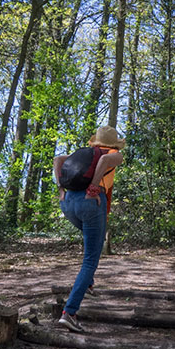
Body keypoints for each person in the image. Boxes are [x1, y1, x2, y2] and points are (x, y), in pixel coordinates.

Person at [53, 125, 125, 332]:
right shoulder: (114, 154)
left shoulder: (83, 154)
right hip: (90, 202)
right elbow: (104, 162)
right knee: (91, 259)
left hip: (68, 202)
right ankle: (70, 312)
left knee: (90, 241)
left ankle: (89, 283)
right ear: (114, 143)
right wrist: (94, 188)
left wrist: (60, 190)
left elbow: (58, 160)